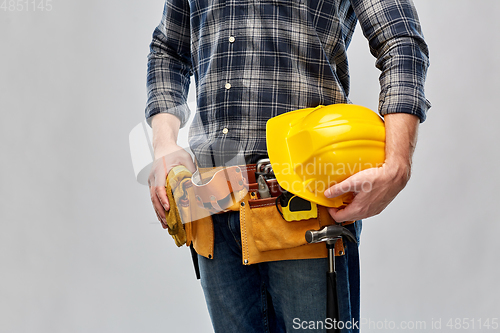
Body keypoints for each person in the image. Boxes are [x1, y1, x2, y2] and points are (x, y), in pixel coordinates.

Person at [146, 0, 430, 332]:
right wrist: (164, 144)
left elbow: (401, 41)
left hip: (303, 208)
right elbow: (169, 48)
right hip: (211, 208)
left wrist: (397, 162)